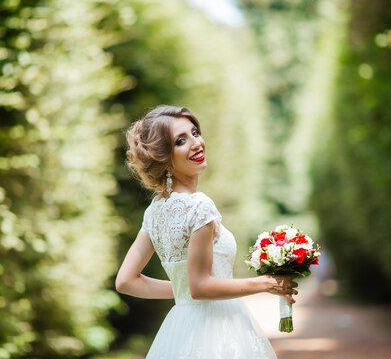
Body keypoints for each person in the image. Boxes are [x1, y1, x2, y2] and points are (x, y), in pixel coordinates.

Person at [115, 105, 298, 359]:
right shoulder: (199, 206)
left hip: (179, 329)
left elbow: (126, 281)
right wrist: (264, 283)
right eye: (181, 141)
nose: (196, 143)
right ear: (164, 156)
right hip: (219, 329)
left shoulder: (154, 211)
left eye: (195, 132)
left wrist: (182, 290)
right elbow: (201, 286)